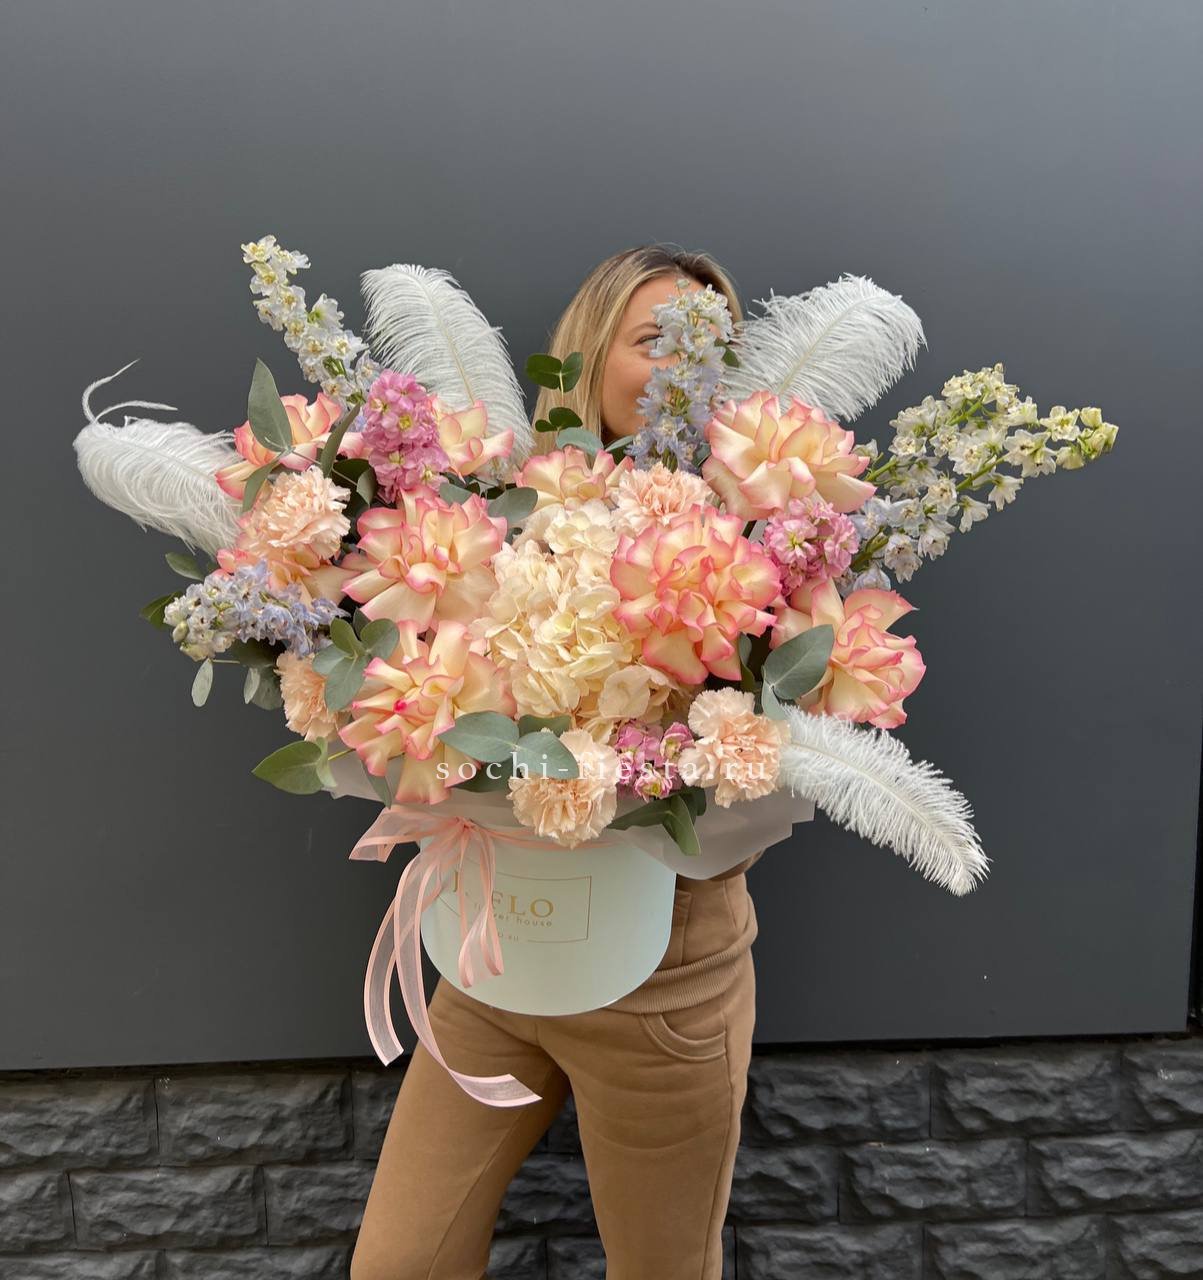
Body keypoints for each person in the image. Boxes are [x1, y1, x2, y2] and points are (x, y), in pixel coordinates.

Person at [350, 245, 766, 1280]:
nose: (685, 369)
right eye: (656, 340)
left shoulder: (762, 540)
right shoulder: (495, 505)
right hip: (496, 956)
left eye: (712, 348)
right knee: (400, 1263)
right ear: (591, 352)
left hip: (664, 984)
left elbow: (774, 749)